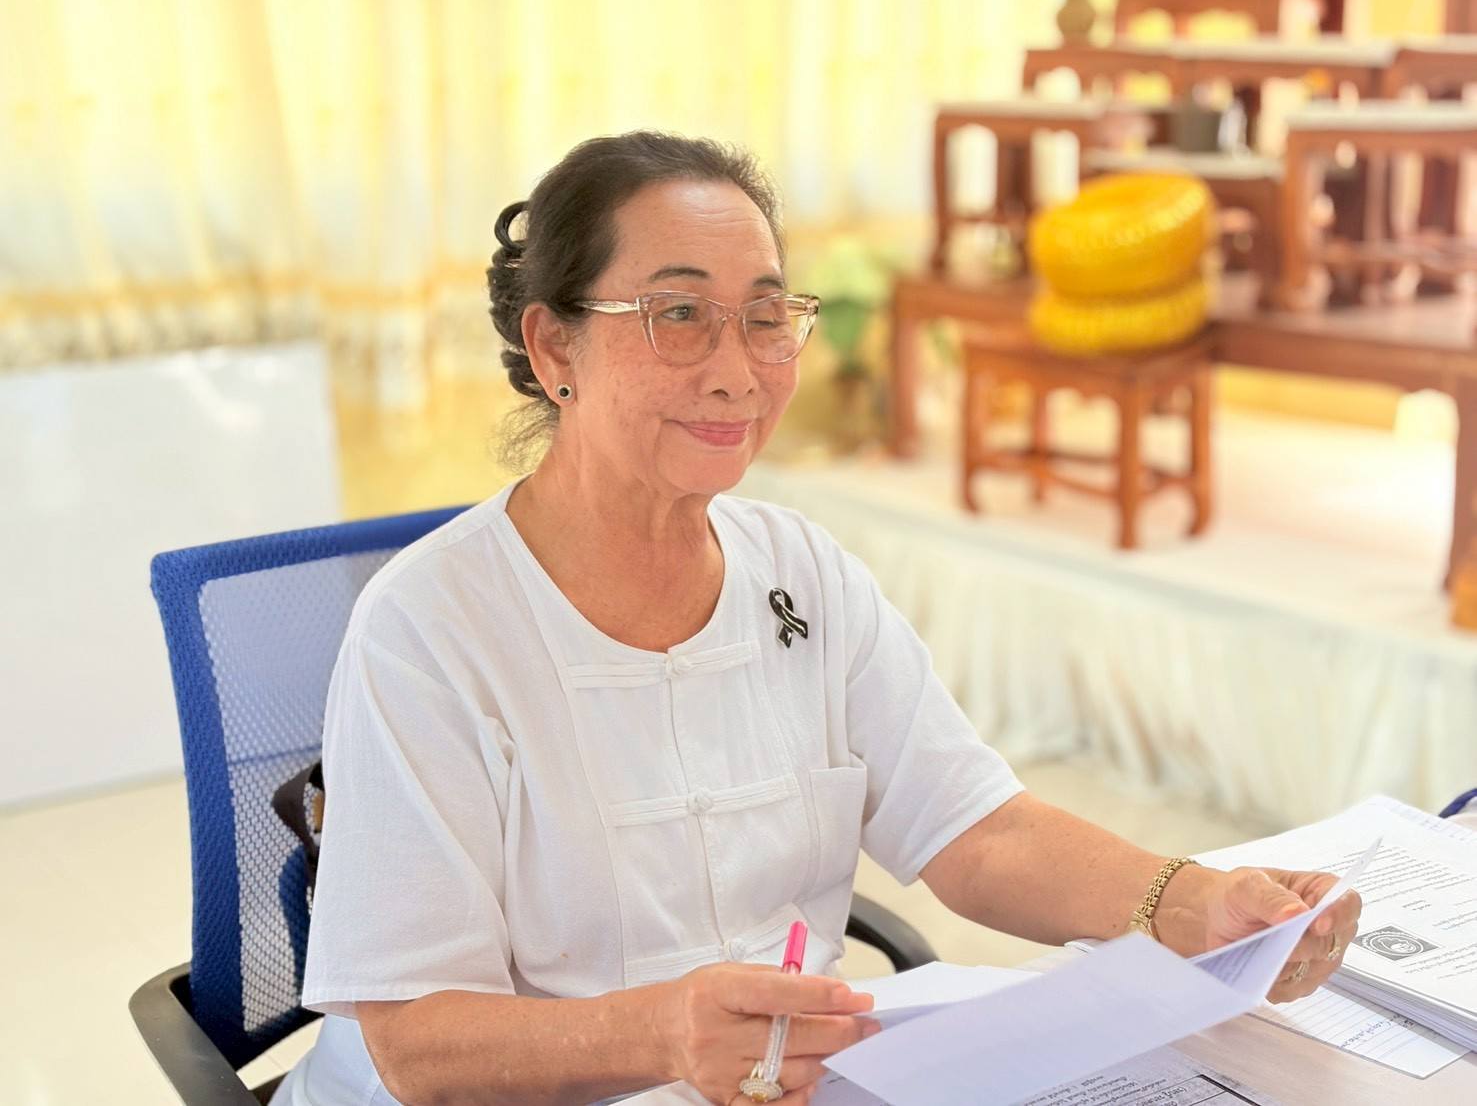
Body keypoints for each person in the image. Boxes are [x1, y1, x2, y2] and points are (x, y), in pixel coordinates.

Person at [272, 131, 1361, 1106]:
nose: (738, 374)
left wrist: (1186, 901)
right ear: (556, 349)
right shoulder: (431, 627)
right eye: (678, 316)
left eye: (765, 319)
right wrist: (664, 1034)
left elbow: (979, 833)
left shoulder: (801, 574)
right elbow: (418, 1046)